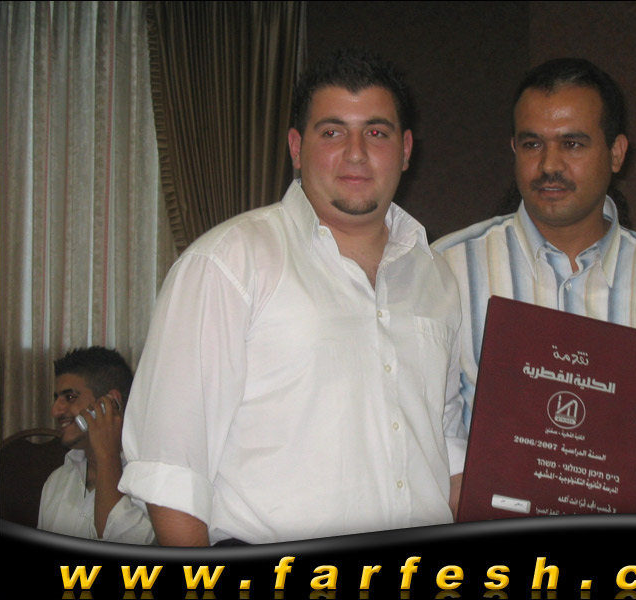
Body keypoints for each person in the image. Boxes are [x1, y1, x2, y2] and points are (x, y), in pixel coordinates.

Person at [118, 48, 466, 545]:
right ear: (297, 148)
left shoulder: (438, 277)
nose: (356, 153)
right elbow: (171, 473)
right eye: (332, 133)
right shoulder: (227, 264)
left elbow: (446, 446)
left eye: (376, 132)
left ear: (406, 149)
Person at [433, 58, 636, 515]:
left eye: (572, 143)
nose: (549, 164)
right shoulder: (448, 268)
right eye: (532, 144)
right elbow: (419, 419)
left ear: (617, 153)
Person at [38, 346, 154, 543]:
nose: (55, 411)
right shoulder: (57, 480)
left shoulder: (150, 481)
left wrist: (107, 455)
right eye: (56, 398)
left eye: (70, 397)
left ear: (111, 402)